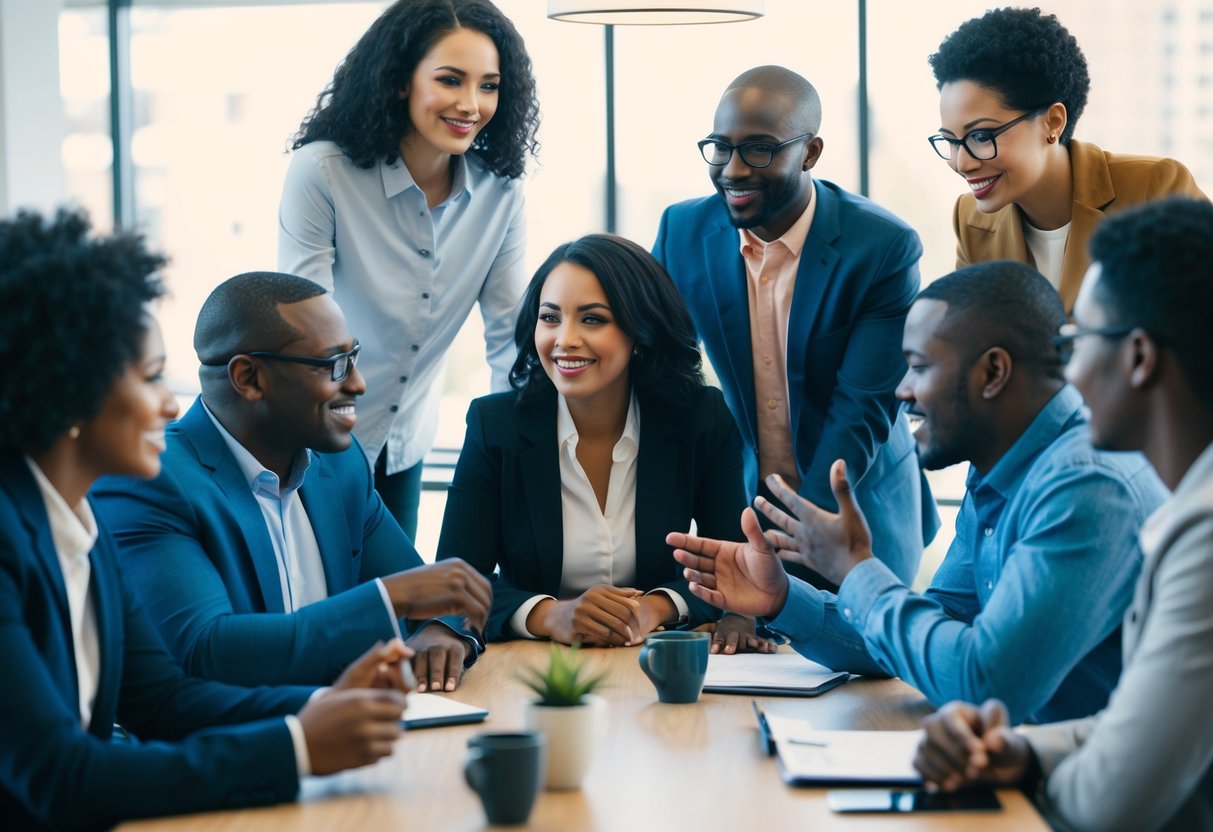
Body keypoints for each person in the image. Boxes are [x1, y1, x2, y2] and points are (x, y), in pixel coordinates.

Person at [0, 209, 417, 829]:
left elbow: (164, 700)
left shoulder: (77, 526)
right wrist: (297, 746)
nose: (171, 403)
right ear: (67, 390)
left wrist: (328, 704)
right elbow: (62, 775)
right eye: (148, 379)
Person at [669, 260, 1169, 724]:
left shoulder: (1086, 487)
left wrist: (857, 570)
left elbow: (983, 684)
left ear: (993, 373)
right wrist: (782, 599)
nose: (901, 390)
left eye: (920, 367)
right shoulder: (1004, 468)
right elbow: (929, 633)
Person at [914, 198, 1213, 832]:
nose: (1067, 370)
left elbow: (1108, 804)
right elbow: (1134, 722)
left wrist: (1026, 767)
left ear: (1138, 357)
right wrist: (1020, 750)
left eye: (1077, 342)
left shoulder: (1203, 535)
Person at [93, 272, 491, 695]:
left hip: (354, 740)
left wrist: (438, 629)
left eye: (354, 357)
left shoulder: (339, 466)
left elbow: (429, 591)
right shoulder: (152, 479)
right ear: (249, 378)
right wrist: (390, 598)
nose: (357, 383)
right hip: (242, 751)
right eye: (334, 365)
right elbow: (205, 652)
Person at [652, 65, 936, 613]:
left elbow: (861, 412)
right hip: (747, 515)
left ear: (810, 152)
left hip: (858, 516)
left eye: (759, 150)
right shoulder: (682, 232)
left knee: (864, 684)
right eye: (721, 148)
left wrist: (775, 563)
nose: (733, 169)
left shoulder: (882, 247)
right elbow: (665, 378)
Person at [279, 0, 540, 539]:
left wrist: (521, 461)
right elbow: (307, 335)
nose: (471, 104)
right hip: (314, 437)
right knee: (323, 608)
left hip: (405, 441)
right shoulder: (323, 173)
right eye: (451, 80)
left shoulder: (502, 194)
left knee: (397, 612)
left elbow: (510, 340)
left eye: (488, 85)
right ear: (401, 81)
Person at [436, 235, 750, 646]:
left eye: (592, 319)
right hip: (532, 673)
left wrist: (655, 607)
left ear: (640, 330)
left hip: (655, 663)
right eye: (550, 318)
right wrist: (551, 614)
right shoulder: (494, 425)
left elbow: (732, 568)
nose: (564, 339)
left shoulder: (700, 418)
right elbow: (451, 585)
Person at [929, 6, 1205, 311]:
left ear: (1053, 122)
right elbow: (970, 339)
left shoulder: (1153, 191)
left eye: (981, 137)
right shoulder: (972, 219)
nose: (961, 163)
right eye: (951, 141)